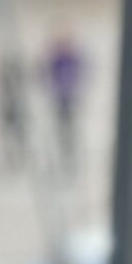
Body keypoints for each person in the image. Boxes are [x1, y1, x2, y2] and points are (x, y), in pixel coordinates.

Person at [41, 27, 86, 177]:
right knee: (60, 129)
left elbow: (80, 75)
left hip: (70, 98)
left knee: (69, 130)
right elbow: (44, 74)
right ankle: (60, 157)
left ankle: (69, 157)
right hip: (59, 98)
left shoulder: (72, 59)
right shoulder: (57, 59)